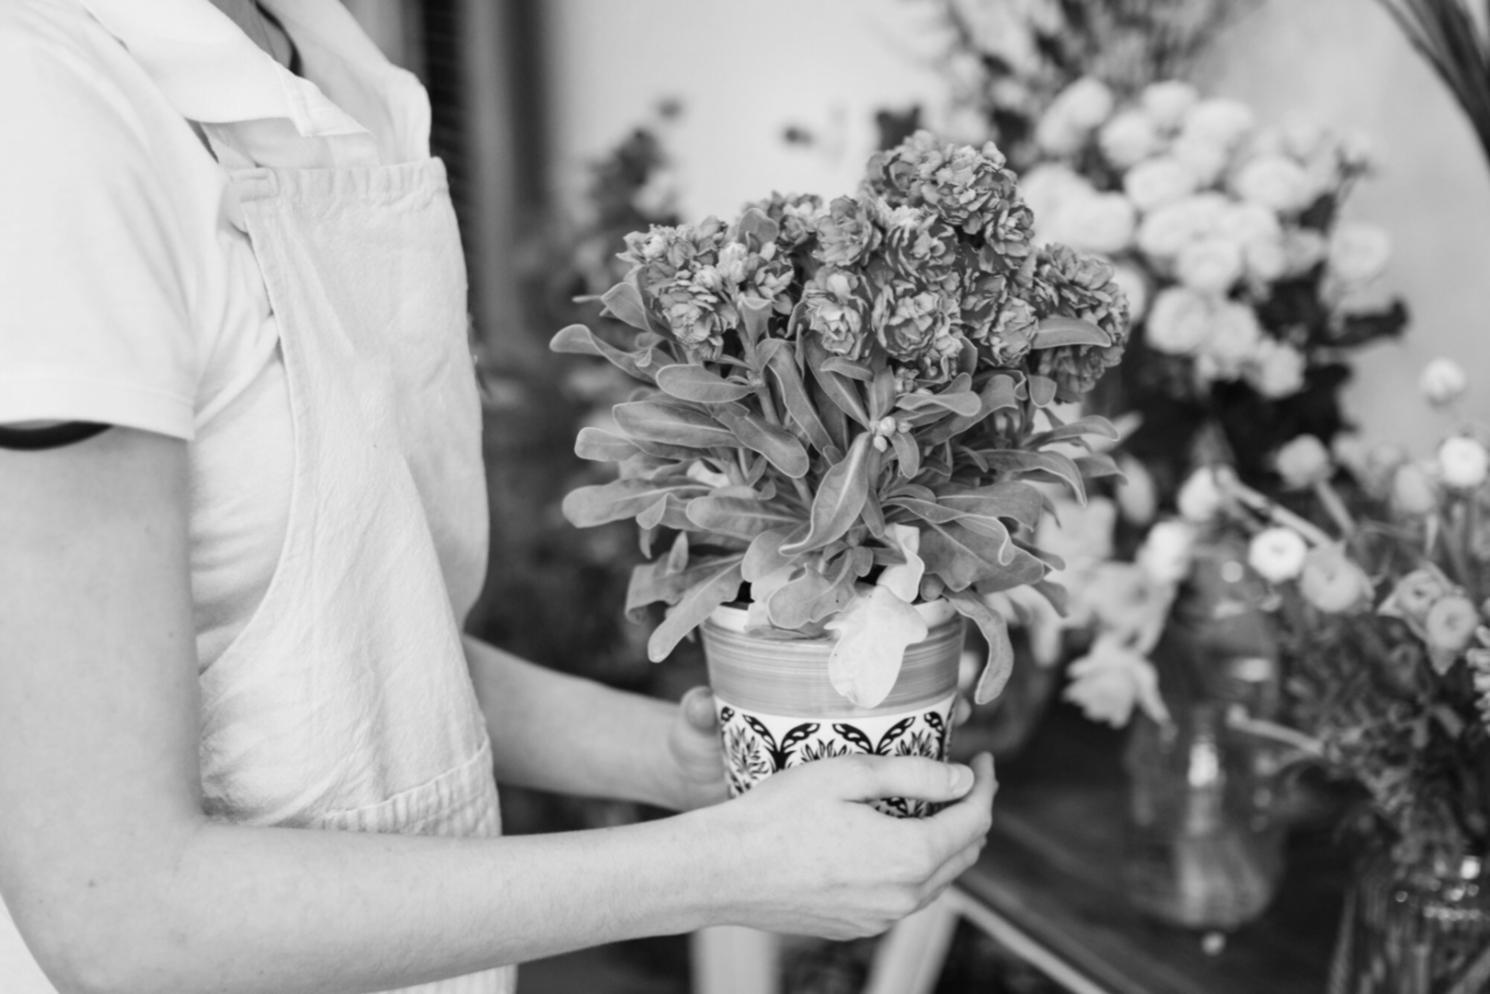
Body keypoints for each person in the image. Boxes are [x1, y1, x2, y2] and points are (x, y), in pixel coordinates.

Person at [0, 1, 998, 992]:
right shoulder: (47, 115)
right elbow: (123, 914)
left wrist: (681, 759)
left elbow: (345, 644)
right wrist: (723, 866)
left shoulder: (330, 68)